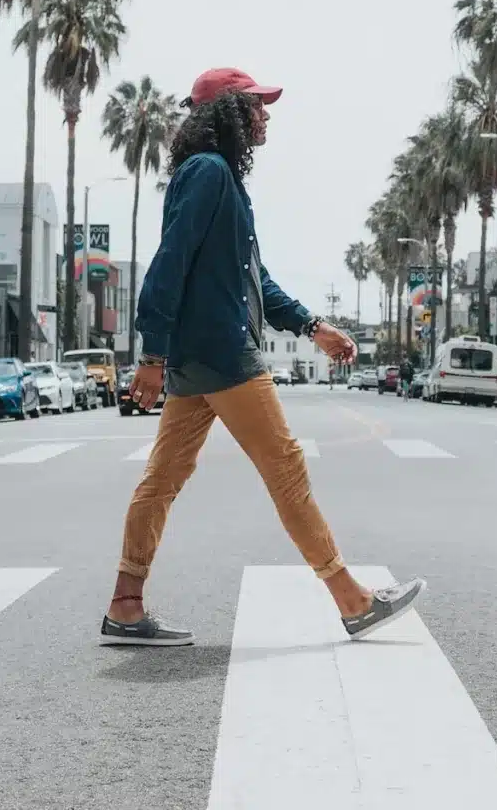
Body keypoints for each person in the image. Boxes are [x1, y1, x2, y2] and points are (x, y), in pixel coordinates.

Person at [101, 68, 426, 647]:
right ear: (226, 112)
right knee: (286, 469)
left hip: (198, 355)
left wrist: (313, 325)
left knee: (164, 479)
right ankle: (351, 600)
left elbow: (256, 282)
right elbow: (168, 261)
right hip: (222, 352)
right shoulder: (209, 173)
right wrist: (150, 351)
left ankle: (125, 606)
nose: (265, 114)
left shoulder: (220, 180)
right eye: (255, 105)